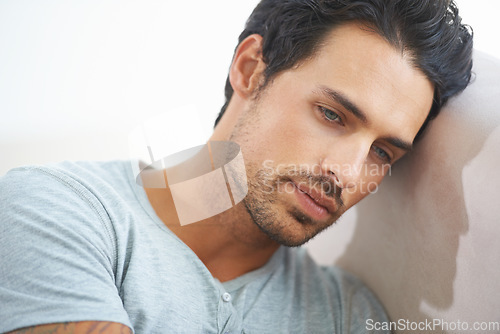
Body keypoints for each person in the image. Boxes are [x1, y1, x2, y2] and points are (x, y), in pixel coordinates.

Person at [0, 0, 473, 333]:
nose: (349, 174)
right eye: (332, 115)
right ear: (250, 69)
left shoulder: (348, 317)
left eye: (382, 153)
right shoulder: (56, 209)